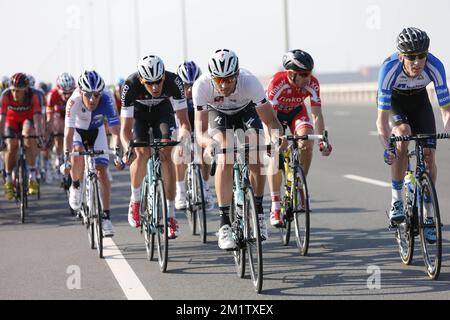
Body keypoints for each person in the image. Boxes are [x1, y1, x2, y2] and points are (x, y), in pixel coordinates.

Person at [193, 49, 285, 250]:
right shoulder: (201, 86)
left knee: (256, 152)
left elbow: (270, 120)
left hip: (246, 110)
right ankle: (224, 223)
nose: (224, 85)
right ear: (212, 78)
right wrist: (209, 144)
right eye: (219, 81)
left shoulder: (249, 82)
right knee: (225, 153)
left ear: (237, 75)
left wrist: (277, 138)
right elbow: (199, 131)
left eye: (228, 79)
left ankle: (258, 212)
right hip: (218, 114)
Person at [376, 27, 450, 243]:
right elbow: (380, 121)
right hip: (396, 103)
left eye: (422, 56)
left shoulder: (435, 66)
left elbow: (446, 110)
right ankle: (396, 199)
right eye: (411, 57)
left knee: (428, 156)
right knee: (403, 133)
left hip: (420, 102)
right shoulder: (389, 69)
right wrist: (387, 146)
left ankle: (429, 215)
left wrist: (447, 127)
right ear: (401, 56)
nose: (417, 62)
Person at [121, 55, 191, 239]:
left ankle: (170, 216)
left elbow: (184, 122)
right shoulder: (130, 85)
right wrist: (128, 147)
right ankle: (135, 200)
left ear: (163, 77)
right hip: (139, 115)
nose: (154, 87)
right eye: (149, 83)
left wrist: (184, 140)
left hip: (162, 112)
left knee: (167, 154)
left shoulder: (174, 81)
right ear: (141, 80)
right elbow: (125, 129)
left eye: (158, 82)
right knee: (141, 152)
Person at [266, 49, 332, 227]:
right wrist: (274, 140)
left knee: (306, 140)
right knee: (274, 153)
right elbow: (268, 119)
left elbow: (317, 115)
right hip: (275, 116)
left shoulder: (312, 83)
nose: (307, 79)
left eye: (310, 74)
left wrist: (322, 139)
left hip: (296, 112)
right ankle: (275, 206)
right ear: (290, 74)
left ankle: (300, 185)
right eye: (303, 75)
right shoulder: (277, 83)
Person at [62, 70, 122, 237]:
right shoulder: (73, 101)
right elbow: (68, 134)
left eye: (96, 95)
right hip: (78, 133)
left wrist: (117, 153)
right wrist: (66, 157)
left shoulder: (107, 97)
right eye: (88, 94)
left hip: (97, 131)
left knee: (102, 171)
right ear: (81, 92)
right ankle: (75, 185)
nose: (92, 99)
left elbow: (115, 131)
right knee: (78, 151)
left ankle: (106, 217)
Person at [174, 61, 214, 210]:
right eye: (185, 86)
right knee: (179, 150)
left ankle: (205, 186)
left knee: (205, 149)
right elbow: (174, 120)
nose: (189, 90)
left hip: (198, 120)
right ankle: (181, 192)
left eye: (193, 85)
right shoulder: (174, 93)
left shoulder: (203, 90)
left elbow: (208, 118)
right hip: (180, 121)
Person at [0, 73, 43, 199]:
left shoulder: (34, 95)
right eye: (13, 90)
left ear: (26, 89)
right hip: (11, 121)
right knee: (11, 144)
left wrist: (39, 134)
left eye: (18, 91)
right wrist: (1, 137)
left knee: (29, 136)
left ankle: (32, 176)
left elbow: (37, 118)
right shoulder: (6, 95)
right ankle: (8, 179)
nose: (15, 94)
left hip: (27, 120)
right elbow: (2, 118)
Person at [47, 73, 77, 178]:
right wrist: (50, 133)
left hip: (73, 114)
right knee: (58, 129)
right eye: (64, 93)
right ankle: (59, 156)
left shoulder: (77, 93)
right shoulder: (52, 95)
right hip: (59, 114)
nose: (68, 96)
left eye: (70, 92)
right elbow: (49, 118)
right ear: (58, 90)